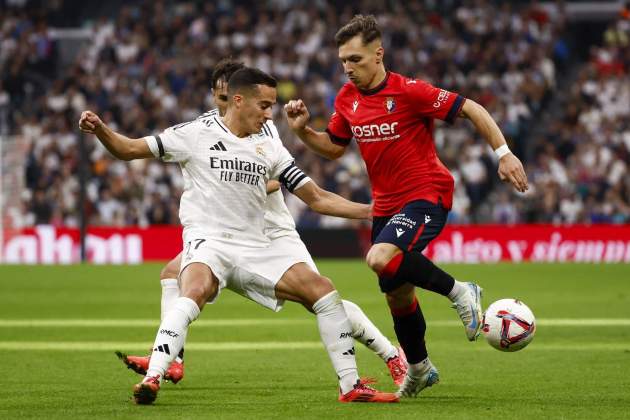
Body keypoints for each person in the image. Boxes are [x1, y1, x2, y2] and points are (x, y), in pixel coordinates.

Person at [79, 67, 399, 404]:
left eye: (271, 106)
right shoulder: (194, 133)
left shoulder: (269, 146)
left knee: (324, 291)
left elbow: (316, 197)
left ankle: (351, 386)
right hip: (210, 241)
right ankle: (154, 376)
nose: (269, 114)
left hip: (258, 245)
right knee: (192, 286)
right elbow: (128, 149)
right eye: (264, 106)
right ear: (238, 100)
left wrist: (370, 211)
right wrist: (101, 129)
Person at [284, 15, 529, 398]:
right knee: (398, 294)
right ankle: (419, 368)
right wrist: (302, 132)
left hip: (426, 193)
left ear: (378, 54)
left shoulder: (410, 91)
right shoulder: (346, 99)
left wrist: (504, 154)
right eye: (343, 61)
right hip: (385, 205)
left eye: (356, 59)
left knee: (379, 257)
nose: (348, 68)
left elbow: (472, 108)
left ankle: (461, 292)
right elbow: (333, 148)